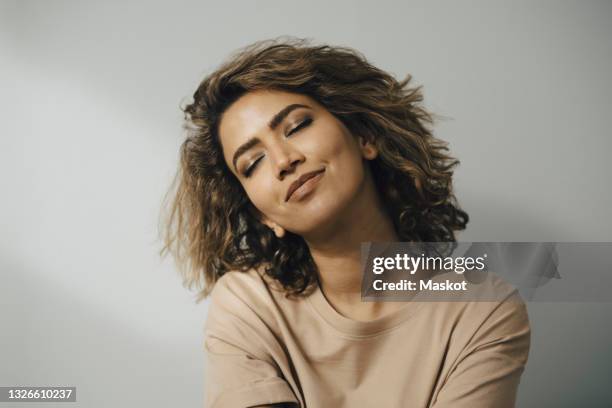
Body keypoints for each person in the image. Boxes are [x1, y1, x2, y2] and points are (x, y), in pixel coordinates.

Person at [161, 39, 530, 408]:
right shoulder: (249, 304)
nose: (283, 161)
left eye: (297, 125)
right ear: (263, 215)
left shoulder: (484, 308)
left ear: (364, 137)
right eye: (253, 163)